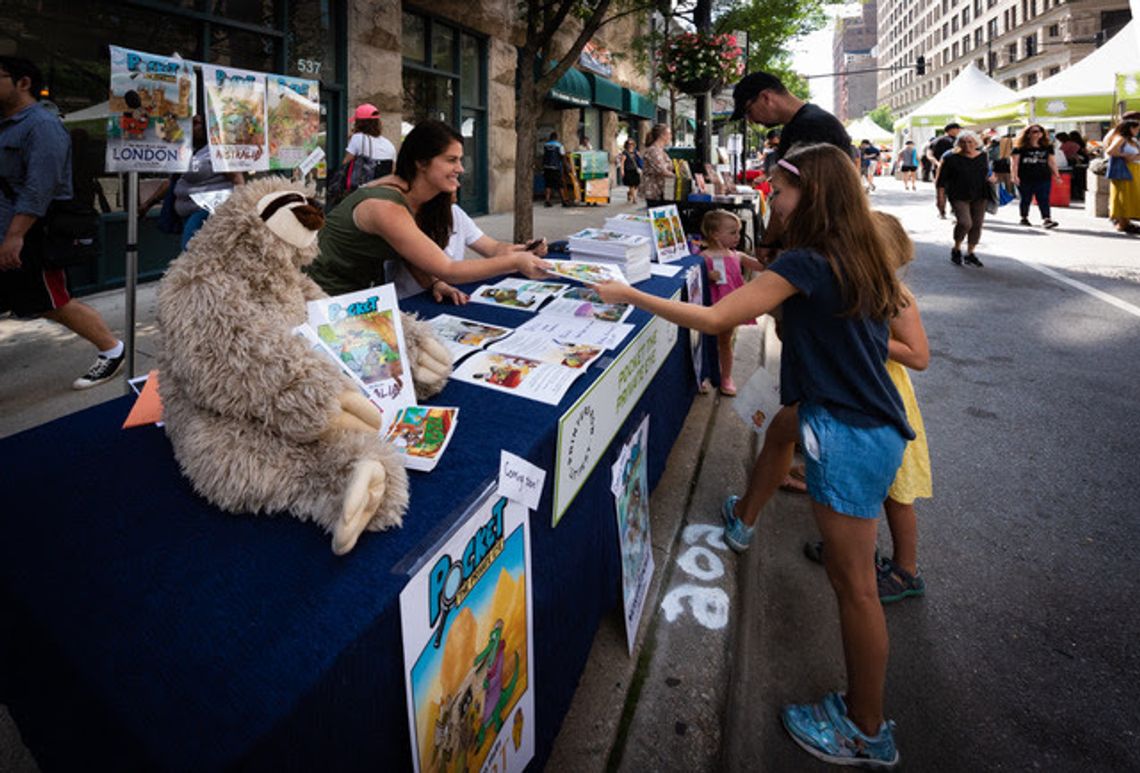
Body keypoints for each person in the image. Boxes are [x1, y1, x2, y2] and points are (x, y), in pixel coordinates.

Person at [593, 142, 912, 768]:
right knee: (781, 436)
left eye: (782, 190)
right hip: (858, 420)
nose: (772, 197)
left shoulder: (808, 261)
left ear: (812, 196)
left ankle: (865, 728)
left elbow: (716, 319)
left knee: (856, 590)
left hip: (847, 432)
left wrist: (629, 296)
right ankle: (746, 516)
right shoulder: (859, 250)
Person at [805, 212, 932, 604]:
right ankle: (854, 551)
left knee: (897, 491)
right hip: (854, 390)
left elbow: (919, 356)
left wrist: (868, 338)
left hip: (886, 397)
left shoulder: (897, 297)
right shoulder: (852, 289)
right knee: (854, 480)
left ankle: (906, 569)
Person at [306, 119, 549, 302]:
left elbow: (415, 256)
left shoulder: (419, 199)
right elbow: (449, 268)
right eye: (451, 160)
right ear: (421, 163)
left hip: (358, 296)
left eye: (460, 160)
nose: (461, 169)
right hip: (322, 298)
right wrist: (516, 262)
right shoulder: (386, 206)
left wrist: (434, 283)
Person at [0, 56, 125, 389]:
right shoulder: (7, 125)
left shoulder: (41, 125)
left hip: (28, 234)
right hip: (8, 230)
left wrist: (15, 236)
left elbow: (40, 187)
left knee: (52, 302)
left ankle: (112, 349)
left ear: (23, 82)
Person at [391, 198, 548, 300]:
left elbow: (493, 248)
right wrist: (436, 283)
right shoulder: (403, 215)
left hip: (451, 293)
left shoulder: (455, 212)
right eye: (451, 160)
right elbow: (418, 263)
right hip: (411, 300)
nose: (460, 171)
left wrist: (524, 250)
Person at [699, 210, 763, 396]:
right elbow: (696, 278)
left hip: (730, 308)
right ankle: (704, 375)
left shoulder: (737, 256)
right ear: (715, 234)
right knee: (706, 342)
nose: (738, 237)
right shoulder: (704, 257)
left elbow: (761, 266)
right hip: (710, 307)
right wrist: (708, 275)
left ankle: (726, 376)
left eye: (739, 232)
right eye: (733, 232)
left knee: (725, 343)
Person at [173, 114, 244, 248]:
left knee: (190, 256)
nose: (191, 128)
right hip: (189, 212)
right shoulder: (193, 150)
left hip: (207, 212)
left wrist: (240, 211)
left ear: (207, 127)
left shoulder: (219, 150)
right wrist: (148, 203)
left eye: (196, 124)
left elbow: (236, 178)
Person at [935, 130, 994, 267]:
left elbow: (987, 173)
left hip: (980, 194)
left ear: (976, 143)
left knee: (977, 225)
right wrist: (940, 199)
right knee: (965, 223)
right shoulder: (950, 157)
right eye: (963, 142)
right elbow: (941, 181)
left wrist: (992, 178)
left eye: (970, 142)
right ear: (958, 143)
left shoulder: (983, 156)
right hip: (958, 195)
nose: (967, 145)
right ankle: (956, 248)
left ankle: (970, 253)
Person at [1010, 123, 1061, 229]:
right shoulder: (1019, 147)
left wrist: (1057, 175)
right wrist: (1014, 176)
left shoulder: (1047, 147)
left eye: (1039, 131)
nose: (1037, 134)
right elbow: (1015, 163)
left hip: (1043, 176)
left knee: (1044, 198)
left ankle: (1046, 219)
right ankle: (1024, 217)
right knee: (1026, 198)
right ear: (1028, 134)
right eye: (1034, 132)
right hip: (1025, 177)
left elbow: (1051, 162)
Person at [1105, 119, 1140, 234]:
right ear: (1130, 128)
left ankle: (1126, 222)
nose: (1138, 130)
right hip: (1126, 170)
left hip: (1134, 169)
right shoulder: (1121, 138)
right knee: (1124, 195)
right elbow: (1110, 151)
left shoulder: (1131, 140)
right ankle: (1122, 223)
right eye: (1136, 128)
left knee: (1129, 195)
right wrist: (1126, 155)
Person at [342, 103, 396, 176]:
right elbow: (393, 171)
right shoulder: (389, 144)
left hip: (365, 185)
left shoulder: (357, 138)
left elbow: (345, 165)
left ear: (359, 123)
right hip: (384, 186)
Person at [926, 123, 961, 219]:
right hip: (955, 170)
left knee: (940, 190)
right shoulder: (958, 142)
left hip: (938, 169)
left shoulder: (935, 140)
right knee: (955, 190)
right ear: (952, 130)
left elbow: (929, 154)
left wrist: (937, 163)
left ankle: (942, 212)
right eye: (958, 129)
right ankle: (954, 210)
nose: (959, 131)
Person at [640, 123, 675, 206]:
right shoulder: (653, 151)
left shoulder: (660, 150)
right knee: (658, 217)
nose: (671, 136)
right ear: (662, 135)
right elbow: (663, 171)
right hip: (654, 192)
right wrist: (680, 178)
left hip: (660, 191)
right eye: (669, 133)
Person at [541, 131, 565, 208]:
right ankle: (563, 200)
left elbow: (544, 155)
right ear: (556, 137)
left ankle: (547, 200)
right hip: (556, 167)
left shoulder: (545, 145)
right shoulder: (559, 145)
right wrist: (566, 166)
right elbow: (562, 156)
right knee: (560, 184)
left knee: (548, 184)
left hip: (547, 167)